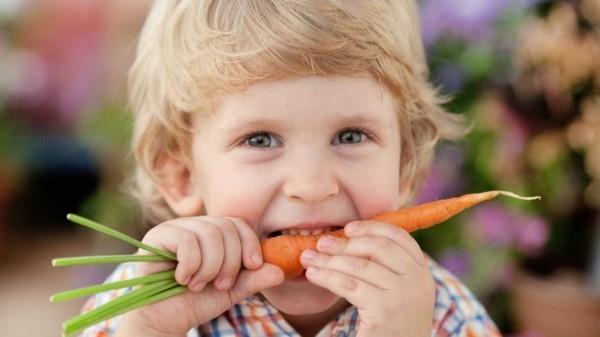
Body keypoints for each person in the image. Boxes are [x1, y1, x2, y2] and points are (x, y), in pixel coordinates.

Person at [81, 1, 502, 336]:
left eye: (351, 136)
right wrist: (150, 331)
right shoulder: (145, 302)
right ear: (182, 175)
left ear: (405, 163)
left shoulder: (441, 314)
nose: (312, 185)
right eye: (260, 140)